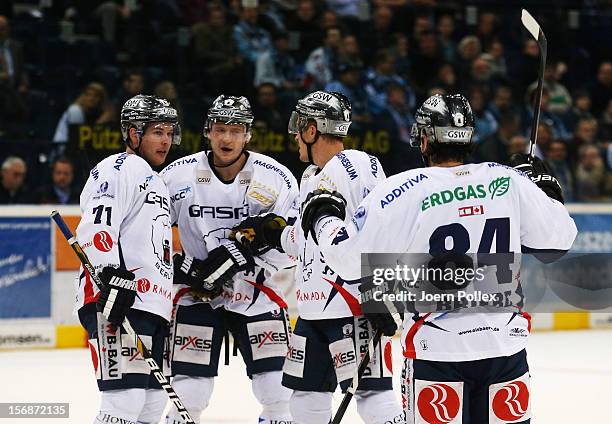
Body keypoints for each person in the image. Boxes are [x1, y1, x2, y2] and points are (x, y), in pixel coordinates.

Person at [300, 93, 578, 423]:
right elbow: (560, 240)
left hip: (436, 350)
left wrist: (324, 216)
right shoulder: (507, 180)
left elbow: (347, 258)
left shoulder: (405, 189)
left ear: (425, 138)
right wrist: (545, 189)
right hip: (505, 347)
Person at [232, 91, 404, 424]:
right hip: (312, 313)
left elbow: (380, 230)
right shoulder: (311, 177)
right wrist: (271, 233)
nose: (294, 134)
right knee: (305, 400)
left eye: (300, 125)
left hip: (352, 307)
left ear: (313, 129)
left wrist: (380, 295)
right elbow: (305, 242)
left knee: (373, 397)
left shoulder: (356, 164)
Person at [162, 95, 298, 424]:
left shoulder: (275, 177)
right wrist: (187, 271)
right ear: (207, 131)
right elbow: (150, 236)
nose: (227, 138)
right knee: (189, 396)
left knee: (278, 393)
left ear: (248, 134)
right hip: (196, 296)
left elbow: (292, 242)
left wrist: (243, 266)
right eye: (220, 129)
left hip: (257, 295)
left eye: (236, 131)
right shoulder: (177, 175)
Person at [75, 94, 181, 424]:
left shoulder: (155, 180)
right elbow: (98, 223)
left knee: (149, 403)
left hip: (151, 305)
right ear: (133, 134)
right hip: (118, 299)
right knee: (124, 401)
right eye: (157, 132)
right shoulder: (119, 168)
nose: (165, 140)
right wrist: (108, 273)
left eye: (168, 132)